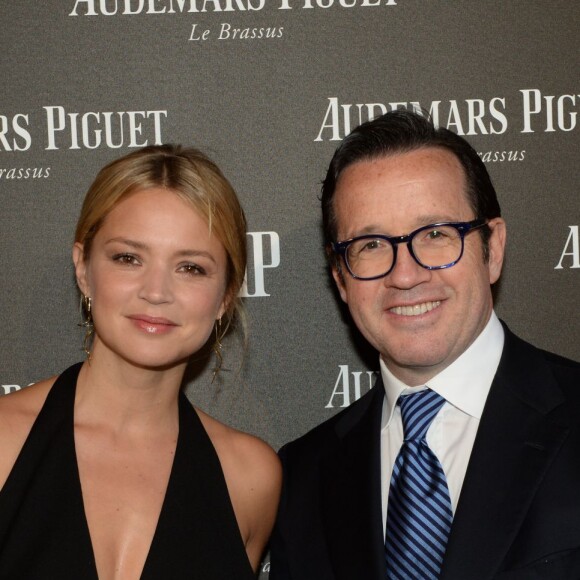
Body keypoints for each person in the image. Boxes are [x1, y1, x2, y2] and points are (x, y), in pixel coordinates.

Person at [269, 110, 580, 579]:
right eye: (371, 244)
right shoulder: (303, 477)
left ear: (492, 249)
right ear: (340, 279)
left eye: (436, 234)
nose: (405, 275)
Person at [0, 145, 281, 579]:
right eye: (128, 258)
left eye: (190, 268)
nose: (156, 291)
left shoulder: (249, 478)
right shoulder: (4, 443)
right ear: (82, 268)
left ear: (226, 295)